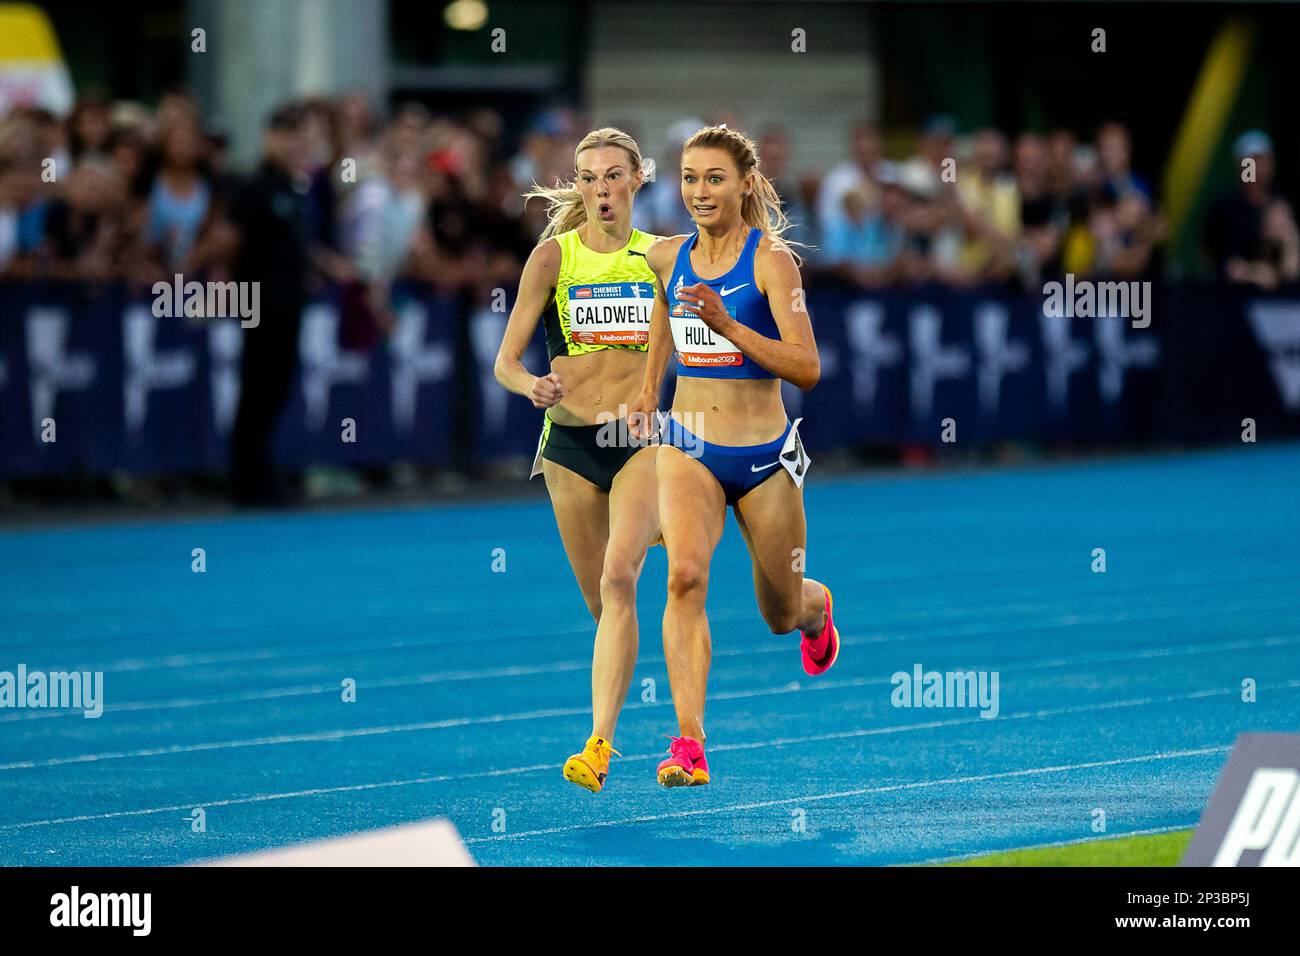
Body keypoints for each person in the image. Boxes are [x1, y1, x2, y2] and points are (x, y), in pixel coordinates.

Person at [629, 125, 840, 788]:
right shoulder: (669, 256)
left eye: (713, 178)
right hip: (688, 444)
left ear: (745, 183)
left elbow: (806, 368)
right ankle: (688, 745)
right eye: (689, 178)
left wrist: (730, 327)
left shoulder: (772, 262)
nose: (699, 192)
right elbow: (665, 316)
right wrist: (645, 390)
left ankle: (817, 611)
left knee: (779, 614)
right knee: (684, 577)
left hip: (765, 457)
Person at [494, 128, 663, 793]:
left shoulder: (662, 258)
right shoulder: (552, 258)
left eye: (614, 176)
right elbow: (504, 361)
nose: (602, 189)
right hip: (567, 446)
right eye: (589, 178)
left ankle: (597, 747)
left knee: (621, 581)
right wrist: (529, 385)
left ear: (637, 180)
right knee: (603, 604)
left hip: (638, 442)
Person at [226, 104, 312, 505]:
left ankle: (261, 474)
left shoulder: (292, 187)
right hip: (258, 305)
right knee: (257, 390)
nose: (296, 145)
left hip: (287, 306)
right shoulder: (254, 186)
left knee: (275, 389)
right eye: (288, 135)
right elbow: (229, 241)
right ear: (270, 137)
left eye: (301, 137)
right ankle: (248, 480)